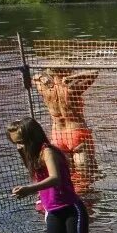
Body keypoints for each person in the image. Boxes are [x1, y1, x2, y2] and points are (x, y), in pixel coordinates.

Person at [8, 117, 96, 233]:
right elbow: (42, 182)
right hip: (52, 211)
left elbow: (55, 178)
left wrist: (29, 189)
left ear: (32, 137)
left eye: (21, 142)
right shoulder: (32, 155)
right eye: (15, 143)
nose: (19, 147)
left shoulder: (48, 152)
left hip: (71, 208)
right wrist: (40, 201)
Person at [31, 67, 101, 195]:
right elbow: (94, 73)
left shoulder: (45, 88)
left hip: (57, 135)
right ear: (66, 72)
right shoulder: (72, 88)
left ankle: (66, 199)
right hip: (77, 133)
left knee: (66, 174)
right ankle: (85, 207)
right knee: (85, 177)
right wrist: (72, 79)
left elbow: (34, 77)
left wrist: (43, 78)